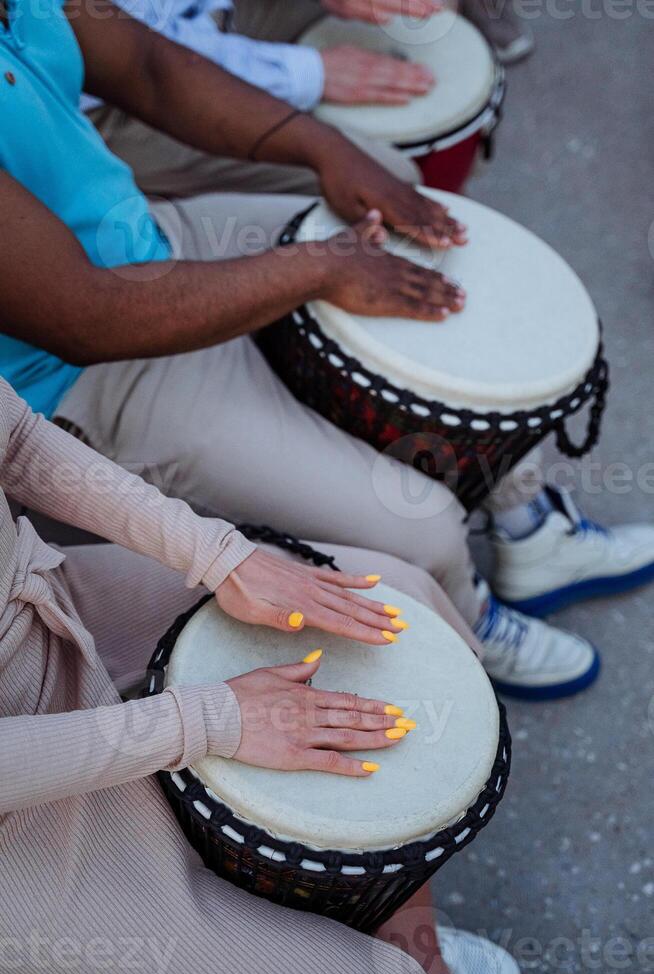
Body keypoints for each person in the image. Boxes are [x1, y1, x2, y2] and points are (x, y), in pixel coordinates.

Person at [5, 0, 653, 702]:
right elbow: (88, 317)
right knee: (425, 530)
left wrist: (328, 149)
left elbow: (149, 67)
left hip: (156, 241)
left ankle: (530, 530)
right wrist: (319, 267)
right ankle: (471, 619)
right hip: (85, 379)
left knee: (434, 277)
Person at [0, 376, 521, 974]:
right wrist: (209, 719)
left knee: (398, 607)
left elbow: (15, 441)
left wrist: (221, 555)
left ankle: (412, 945)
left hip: (38, 596)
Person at [83, 0, 442, 198]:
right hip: (112, 98)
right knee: (390, 177)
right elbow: (148, 65)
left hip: (198, 14)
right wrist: (308, 73)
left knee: (417, 20)